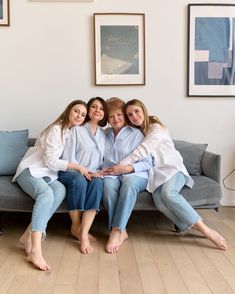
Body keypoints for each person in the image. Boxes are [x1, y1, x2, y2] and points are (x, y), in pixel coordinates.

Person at [106, 99, 228, 250]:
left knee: (168, 194)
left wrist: (119, 167)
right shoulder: (137, 132)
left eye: (136, 111)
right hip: (156, 175)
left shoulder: (156, 128)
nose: (134, 116)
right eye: (130, 114)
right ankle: (187, 224)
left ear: (143, 110)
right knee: (159, 201)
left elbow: (142, 151)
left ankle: (207, 231)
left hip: (173, 169)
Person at [13, 99, 88, 271]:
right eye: (76, 111)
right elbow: (51, 161)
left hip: (47, 175)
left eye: (83, 114)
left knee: (60, 190)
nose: (79, 116)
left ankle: (27, 236)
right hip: (30, 170)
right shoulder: (56, 129)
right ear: (69, 110)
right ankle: (36, 250)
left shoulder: (71, 132)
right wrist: (77, 167)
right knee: (46, 195)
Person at [100, 97, 152, 254]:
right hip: (111, 174)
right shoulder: (104, 134)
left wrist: (127, 169)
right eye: (111, 116)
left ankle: (116, 231)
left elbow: (147, 162)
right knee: (107, 188)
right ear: (107, 119)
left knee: (129, 184)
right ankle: (122, 231)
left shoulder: (136, 134)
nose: (115, 119)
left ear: (124, 115)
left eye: (119, 115)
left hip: (136, 173)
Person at [58, 97, 107, 254]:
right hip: (72, 172)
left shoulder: (104, 135)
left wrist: (98, 172)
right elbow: (68, 157)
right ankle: (76, 226)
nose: (97, 110)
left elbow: (104, 160)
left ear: (104, 113)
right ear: (88, 110)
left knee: (98, 183)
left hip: (94, 173)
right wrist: (82, 170)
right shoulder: (77, 129)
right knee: (79, 181)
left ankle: (84, 232)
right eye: (93, 107)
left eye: (101, 108)